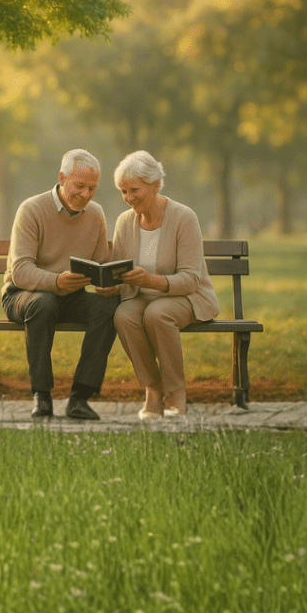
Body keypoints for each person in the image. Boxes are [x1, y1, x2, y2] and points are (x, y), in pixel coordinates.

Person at [2, 148, 119, 420]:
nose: (86, 194)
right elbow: (20, 271)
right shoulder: (32, 209)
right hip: (24, 296)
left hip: (70, 295)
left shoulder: (95, 214)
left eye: (92, 188)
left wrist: (106, 283)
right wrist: (56, 281)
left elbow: (101, 262)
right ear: (62, 178)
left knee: (110, 307)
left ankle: (80, 397)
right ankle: (41, 395)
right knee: (44, 302)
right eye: (80, 186)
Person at [106, 151, 219, 419]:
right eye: (123, 191)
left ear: (155, 185)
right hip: (140, 297)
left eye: (134, 190)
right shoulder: (125, 222)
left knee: (158, 314)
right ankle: (153, 389)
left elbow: (191, 279)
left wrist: (151, 280)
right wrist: (106, 284)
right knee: (123, 315)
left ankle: (176, 392)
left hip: (186, 297)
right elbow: (117, 271)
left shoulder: (183, 218)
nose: (128, 198)